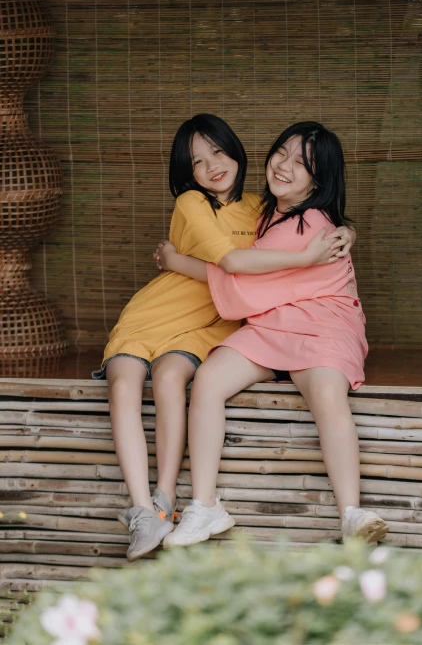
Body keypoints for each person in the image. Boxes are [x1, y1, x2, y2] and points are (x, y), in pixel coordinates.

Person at [93, 114, 355, 560]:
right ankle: (141, 510)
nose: (211, 165)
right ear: (186, 172)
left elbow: (305, 217)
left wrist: (346, 231)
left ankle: (165, 498)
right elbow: (233, 262)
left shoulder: (260, 206)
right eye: (197, 161)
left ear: (235, 148)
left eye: (217, 150)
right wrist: (311, 253)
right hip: (157, 313)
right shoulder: (192, 204)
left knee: (173, 380)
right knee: (125, 381)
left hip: (209, 320)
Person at [155, 121, 388, 548]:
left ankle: (351, 512)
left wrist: (175, 262)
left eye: (302, 164)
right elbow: (243, 274)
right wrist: (349, 227)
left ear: (319, 179)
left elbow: (238, 277)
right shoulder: (265, 211)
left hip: (322, 324)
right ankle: (204, 506)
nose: (284, 166)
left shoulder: (313, 224)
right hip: (271, 324)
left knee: (326, 392)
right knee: (208, 379)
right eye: (282, 152)